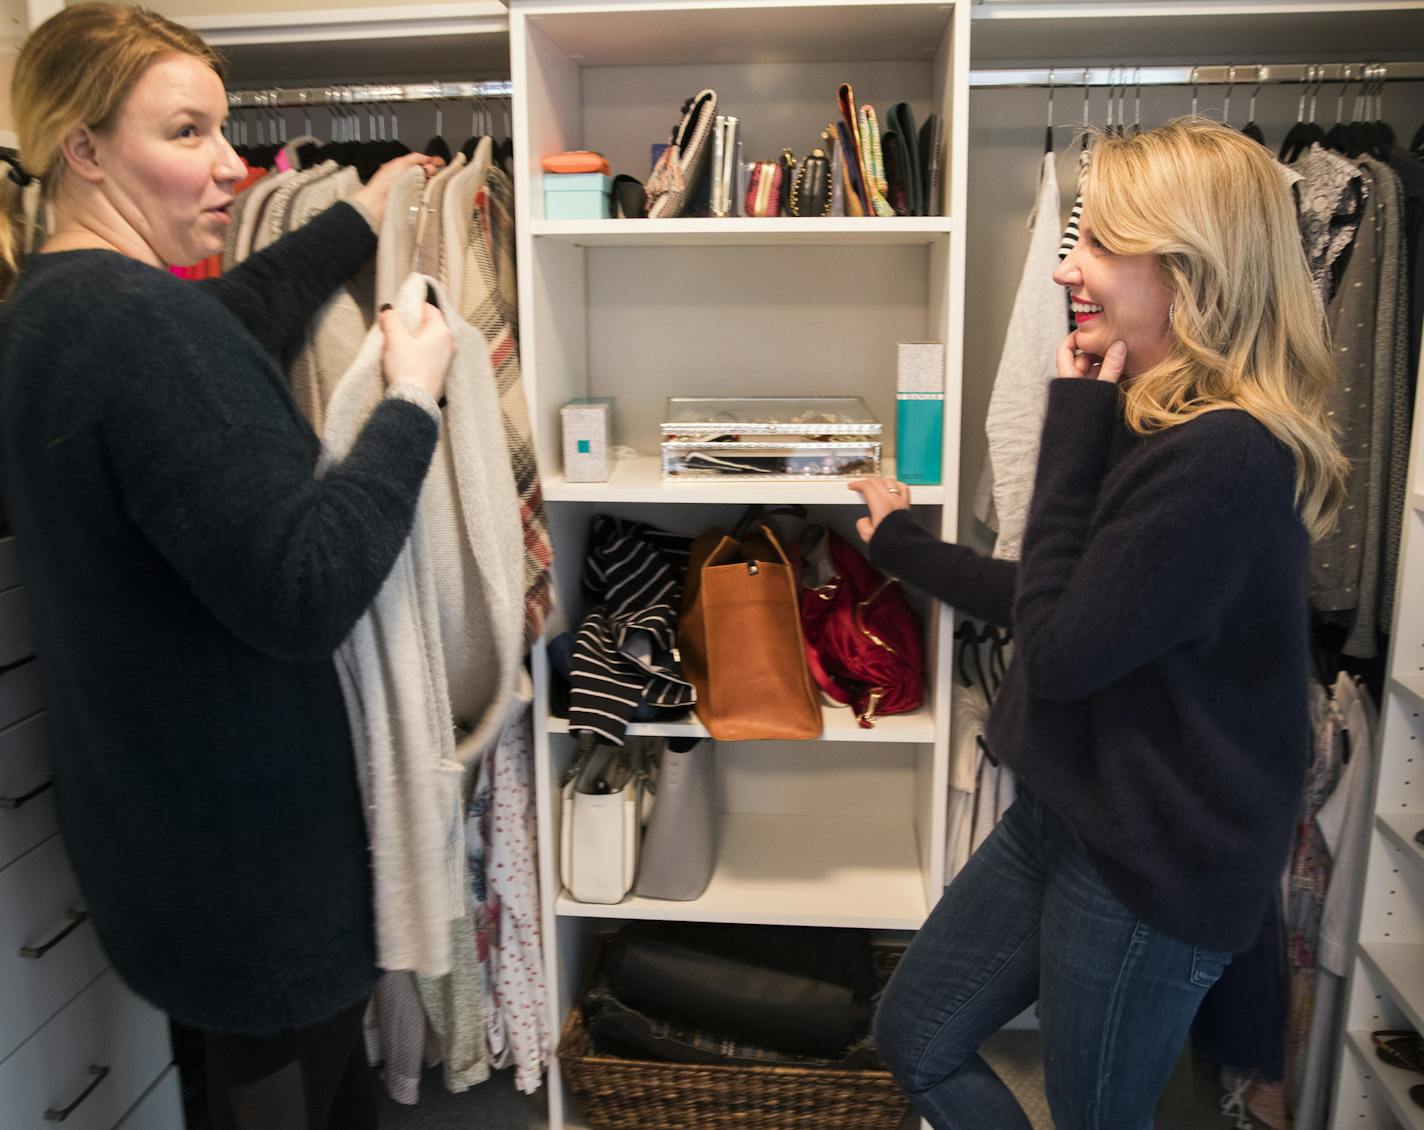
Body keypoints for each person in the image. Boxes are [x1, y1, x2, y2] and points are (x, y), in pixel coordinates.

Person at [0, 5, 455, 1128]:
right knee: (290, 1103)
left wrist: (360, 212)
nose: (233, 165)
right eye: (188, 133)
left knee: (241, 1089)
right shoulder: (145, 330)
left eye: (224, 129)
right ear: (87, 149)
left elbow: (233, 321)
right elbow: (306, 589)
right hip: (253, 871)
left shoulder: (54, 307)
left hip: (159, 838)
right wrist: (409, 400)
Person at [852, 118, 1347, 1129]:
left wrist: (1070, 419)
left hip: (1146, 864)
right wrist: (898, 541)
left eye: (1100, 243)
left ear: (1187, 266)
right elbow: (1059, 598)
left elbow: (1064, 649)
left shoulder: (1223, 458)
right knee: (915, 1032)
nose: (1065, 268)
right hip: (1069, 812)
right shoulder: (1158, 421)